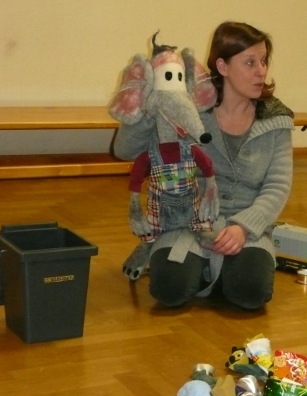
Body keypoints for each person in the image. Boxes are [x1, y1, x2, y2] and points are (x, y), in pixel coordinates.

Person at [114, 22, 294, 309]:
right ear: (222, 66)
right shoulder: (189, 110)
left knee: (250, 294)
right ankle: (204, 266)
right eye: (250, 62)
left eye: (263, 61)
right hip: (187, 220)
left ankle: (216, 267)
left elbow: (278, 185)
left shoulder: (276, 118)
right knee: (169, 291)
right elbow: (123, 151)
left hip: (246, 226)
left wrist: (244, 228)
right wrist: (151, 105)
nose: (261, 70)